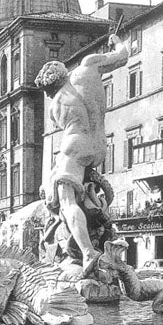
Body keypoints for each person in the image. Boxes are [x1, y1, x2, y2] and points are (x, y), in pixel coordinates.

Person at [35, 32, 130, 276]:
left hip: (74, 145)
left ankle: (88, 252)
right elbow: (123, 56)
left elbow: (65, 126)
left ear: (48, 87)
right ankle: (85, 239)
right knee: (77, 194)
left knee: (65, 200)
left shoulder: (55, 106)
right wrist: (117, 40)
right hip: (98, 146)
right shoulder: (88, 66)